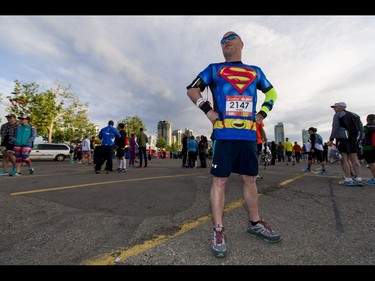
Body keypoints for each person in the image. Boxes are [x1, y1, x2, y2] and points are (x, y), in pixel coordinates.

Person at [186, 31, 281, 258]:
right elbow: (192, 89)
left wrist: (262, 114)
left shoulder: (255, 71)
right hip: (224, 135)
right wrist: (207, 109)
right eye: (222, 40)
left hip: (248, 136)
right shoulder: (213, 69)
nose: (226, 41)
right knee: (220, 181)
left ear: (241, 43)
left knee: (250, 180)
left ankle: (255, 223)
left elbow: (272, 93)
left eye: (231, 38)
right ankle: (218, 230)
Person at [327, 102, 364, 186]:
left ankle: (348, 179)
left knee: (344, 159)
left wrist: (331, 139)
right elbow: (361, 128)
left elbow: (335, 127)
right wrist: (360, 138)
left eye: (335, 107)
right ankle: (359, 179)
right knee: (354, 159)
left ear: (341, 107)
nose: (334, 109)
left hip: (343, 139)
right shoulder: (356, 115)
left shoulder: (338, 115)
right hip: (354, 140)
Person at [361, 114, 375, 185]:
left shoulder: (365, 128)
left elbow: (362, 137)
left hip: (368, 147)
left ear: (367, 119)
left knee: (371, 164)